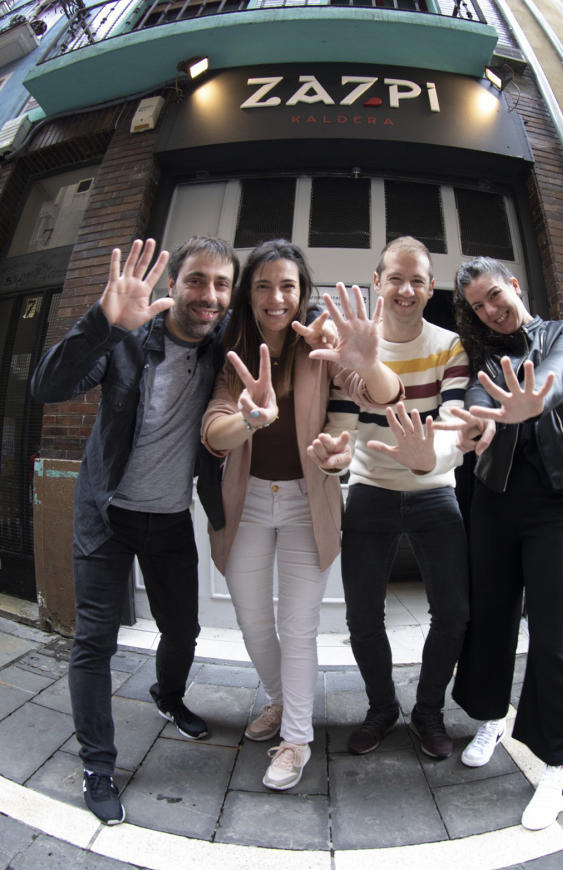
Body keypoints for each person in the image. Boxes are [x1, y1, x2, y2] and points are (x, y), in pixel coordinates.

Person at [30, 237, 241, 824]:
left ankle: (167, 697)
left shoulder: (222, 350)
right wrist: (100, 321)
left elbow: (285, 326)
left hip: (170, 515)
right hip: (107, 515)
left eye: (222, 284)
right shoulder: (124, 338)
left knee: (184, 629)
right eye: (198, 280)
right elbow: (47, 388)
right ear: (174, 282)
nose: (210, 295)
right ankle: (98, 763)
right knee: (95, 641)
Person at [200, 239, 399, 790]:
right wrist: (251, 419)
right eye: (262, 284)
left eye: (286, 285)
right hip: (247, 503)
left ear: (302, 292)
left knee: (299, 627)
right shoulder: (234, 352)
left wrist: (369, 360)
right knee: (252, 618)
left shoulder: (321, 345)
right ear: (248, 294)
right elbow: (215, 433)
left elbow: (378, 395)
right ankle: (283, 701)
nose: (275, 296)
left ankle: (296, 739)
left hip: (307, 503)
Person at [444, 256, 563, 830]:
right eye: (479, 305)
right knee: (491, 617)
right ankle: (490, 714)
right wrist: (478, 422)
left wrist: (539, 393)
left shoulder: (562, 331)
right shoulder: (486, 357)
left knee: (555, 632)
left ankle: (555, 761)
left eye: (494, 295)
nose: (491, 309)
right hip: (494, 502)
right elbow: (474, 402)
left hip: (557, 502)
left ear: (515, 283)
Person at [309, 236, 471, 760]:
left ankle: (428, 711)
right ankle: (381, 708)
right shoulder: (355, 341)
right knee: (361, 615)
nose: (405, 289)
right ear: (377, 282)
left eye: (417, 280)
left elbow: (452, 427)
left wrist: (428, 456)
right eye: (395, 278)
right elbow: (341, 423)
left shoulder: (449, 346)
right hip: (372, 492)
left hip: (433, 493)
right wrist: (334, 455)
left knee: (453, 612)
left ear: (430, 290)